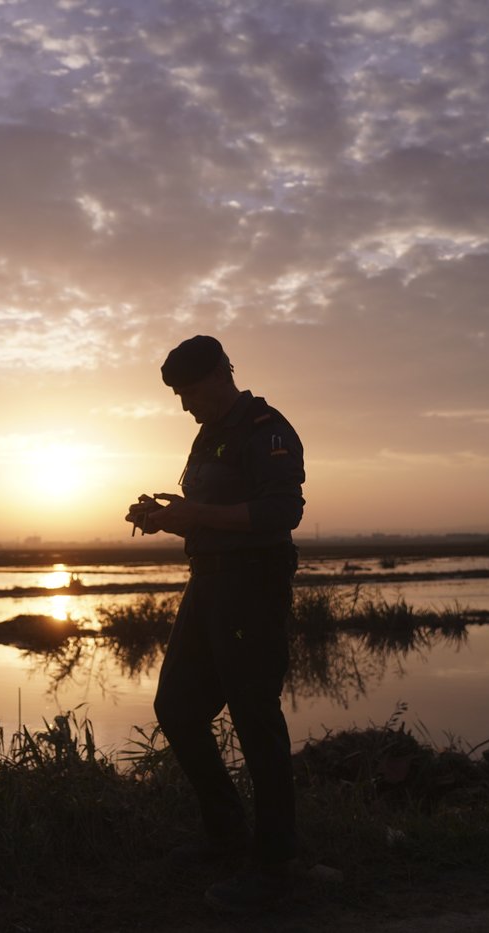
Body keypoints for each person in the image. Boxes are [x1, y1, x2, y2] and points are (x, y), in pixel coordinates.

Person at [125, 334, 305, 914]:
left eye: (191, 392)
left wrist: (195, 513)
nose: (185, 405)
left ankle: (276, 864)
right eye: (178, 395)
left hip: (252, 585)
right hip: (208, 581)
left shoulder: (266, 430)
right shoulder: (208, 435)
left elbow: (282, 511)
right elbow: (210, 517)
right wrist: (165, 519)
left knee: (255, 716)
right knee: (177, 707)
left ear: (222, 375)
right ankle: (226, 834)